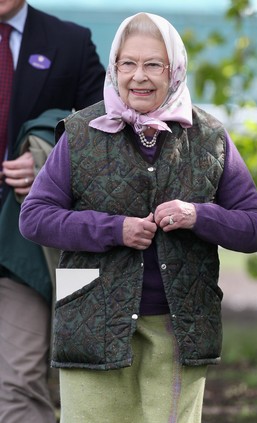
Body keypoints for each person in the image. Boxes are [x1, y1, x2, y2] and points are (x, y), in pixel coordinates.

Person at [19, 12, 257, 423]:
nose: (139, 76)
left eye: (154, 64)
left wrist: (197, 215)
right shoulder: (81, 132)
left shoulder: (209, 137)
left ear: (175, 70)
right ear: (114, 68)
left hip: (180, 327)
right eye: (128, 63)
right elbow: (34, 218)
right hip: (91, 321)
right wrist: (113, 229)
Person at [0, 1, 105, 422]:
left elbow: (106, 127)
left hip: (25, 249)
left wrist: (45, 160)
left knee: (18, 385)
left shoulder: (70, 42)